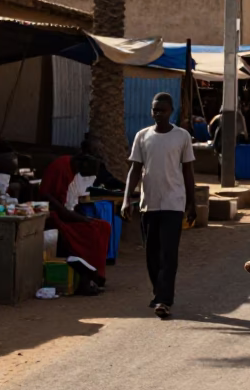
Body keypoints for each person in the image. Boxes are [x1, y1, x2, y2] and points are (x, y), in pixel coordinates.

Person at [122, 93, 197, 319]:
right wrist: (127, 199)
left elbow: (188, 172)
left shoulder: (181, 137)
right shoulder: (142, 136)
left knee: (169, 253)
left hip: (174, 203)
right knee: (151, 253)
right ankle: (159, 292)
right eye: (155, 110)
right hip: (150, 203)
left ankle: (164, 299)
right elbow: (135, 169)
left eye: (162, 110)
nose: (158, 114)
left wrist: (192, 203)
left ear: (171, 111)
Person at [39, 152, 111, 292]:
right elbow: (49, 198)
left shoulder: (71, 169)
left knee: (104, 226)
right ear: (82, 165)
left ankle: (97, 273)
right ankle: (88, 277)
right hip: (55, 216)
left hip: (65, 213)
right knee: (92, 230)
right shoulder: (61, 167)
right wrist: (81, 219)